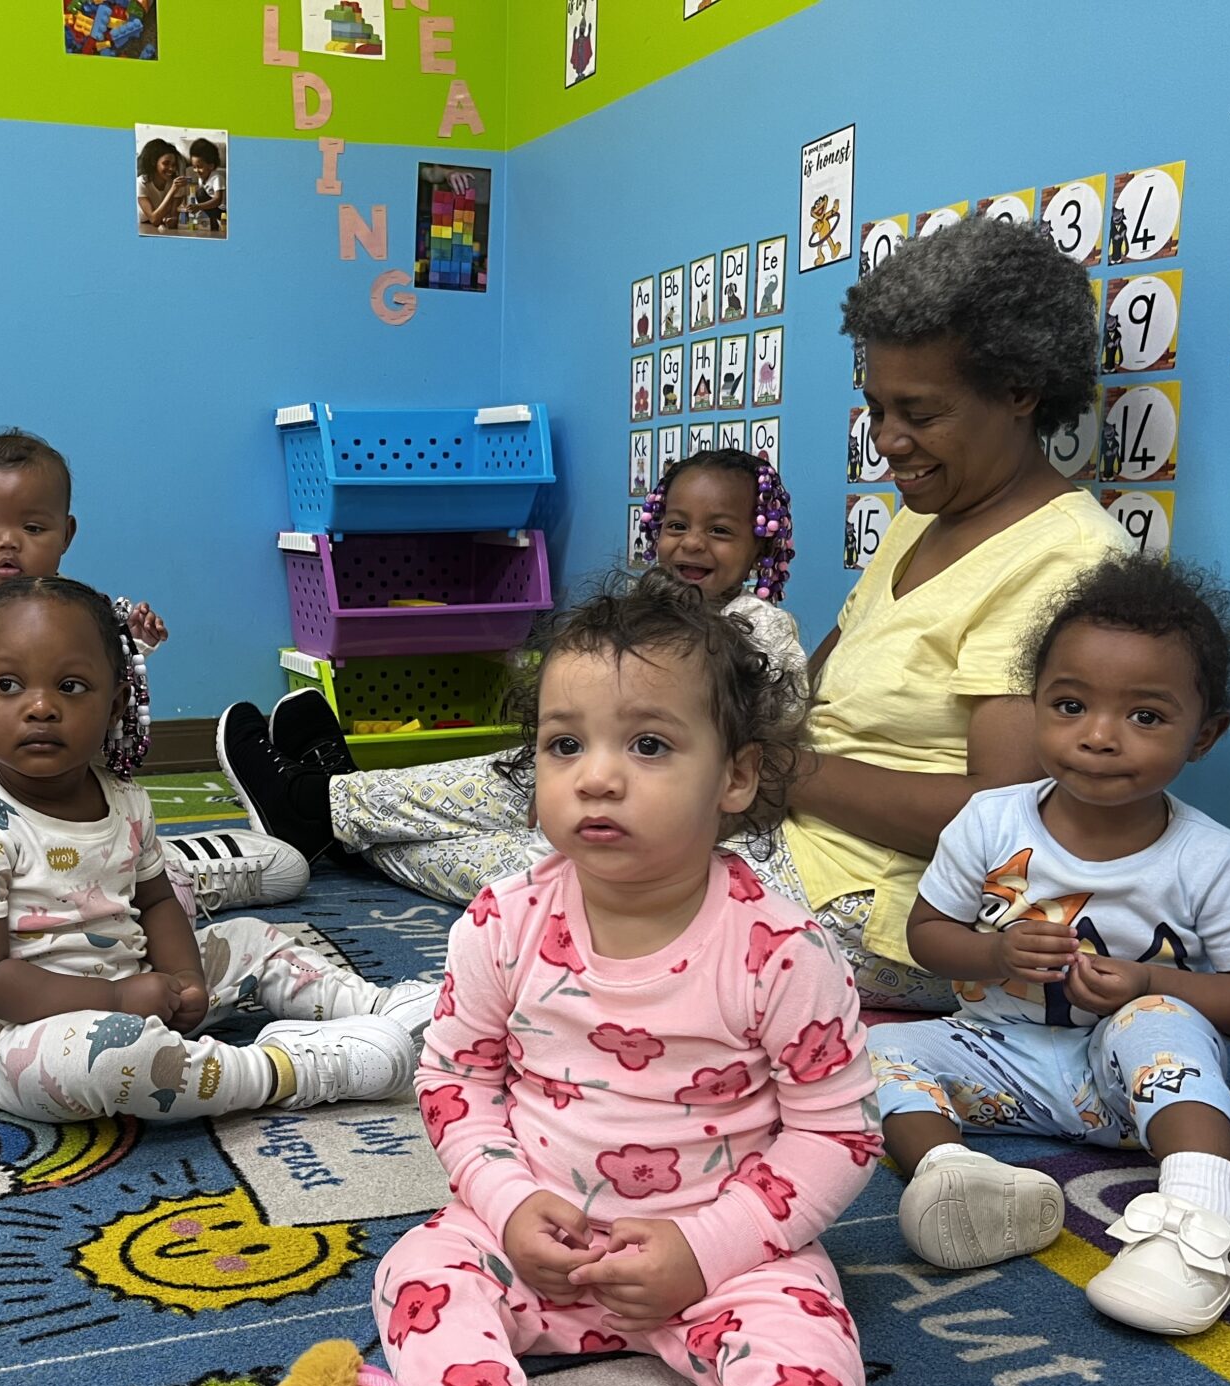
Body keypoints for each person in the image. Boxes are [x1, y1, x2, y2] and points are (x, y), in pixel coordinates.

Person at [222, 217, 1136, 1007]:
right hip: (787, 817)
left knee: (545, 874)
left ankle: (328, 825)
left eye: (919, 415)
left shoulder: (1065, 561)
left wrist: (774, 770)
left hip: (890, 905)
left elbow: (1008, 822)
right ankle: (327, 811)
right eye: (876, 409)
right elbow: (815, 685)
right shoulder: (930, 519)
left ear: (1022, 390)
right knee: (556, 773)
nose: (888, 443)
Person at [269, 570, 881, 1386]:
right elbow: (455, 1080)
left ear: (737, 776)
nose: (596, 775)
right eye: (565, 744)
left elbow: (837, 1133)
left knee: (803, 1344)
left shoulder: (781, 949)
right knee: (420, 1272)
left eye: (648, 744)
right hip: (539, 1248)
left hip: (726, 1260)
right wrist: (508, 1208)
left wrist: (704, 1244)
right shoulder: (502, 923)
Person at [878, 555, 1230, 1336]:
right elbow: (926, 935)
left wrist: (1142, 985)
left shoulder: (1211, 857)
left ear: (1206, 735)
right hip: (998, 1061)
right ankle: (959, 1178)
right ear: (1034, 706)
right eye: (1069, 704)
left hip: (1132, 1086)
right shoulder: (990, 822)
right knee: (869, 1055)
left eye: (1145, 716)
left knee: (1158, 1016)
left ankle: (1200, 1228)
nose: (1098, 737)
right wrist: (993, 956)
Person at [0, 577, 438, 1123]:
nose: (41, 707)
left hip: (143, 985)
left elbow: (159, 902)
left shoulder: (126, 801)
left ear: (116, 703)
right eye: (8, 685)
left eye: (71, 686)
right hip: (27, 1037)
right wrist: (117, 1003)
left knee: (249, 938)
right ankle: (286, 1070)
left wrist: (185, 977)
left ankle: (378, 1008)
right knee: (114, 1056)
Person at [218, 447, 801, 911]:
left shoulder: (762, 630)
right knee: (499, 771)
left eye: (720, 531)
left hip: (663, 826)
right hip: (579, 784)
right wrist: (554, 769)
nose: (692, 543)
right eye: (677, 525)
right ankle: (329, 801)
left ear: (760, 544)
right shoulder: (645, 613)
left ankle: (322, 813)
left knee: (503, 865)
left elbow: (758, 757)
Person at [0, 427, 299, 931]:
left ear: (66, 534)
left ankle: (118, 886)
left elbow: (95, 664)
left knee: (76, 793)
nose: (7, 542)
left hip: (13, 749)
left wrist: (133, 640)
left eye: (32, 529)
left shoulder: (65, 606)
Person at [136, 138, 192, 233]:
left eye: (174, 165)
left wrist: (172, 220)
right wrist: (173, 189)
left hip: (162, 228)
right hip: (141, 227)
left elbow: (174, 218)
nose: (171, 169)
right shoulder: (141, 183)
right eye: (166, 163)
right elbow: (154, 220)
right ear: (154, 162)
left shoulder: (176, 183)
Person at [186, 136, 226, 230]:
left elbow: (218, 200)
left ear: (211, 166)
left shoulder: (217, 178)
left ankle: (219, 221)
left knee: (200, 193)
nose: (196, 171)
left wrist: (198, 206)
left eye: (199, 167)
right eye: (194, 167)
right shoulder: (201, 178)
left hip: (222, 211)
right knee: (198, 193)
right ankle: (213, 223)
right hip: (212, 210)